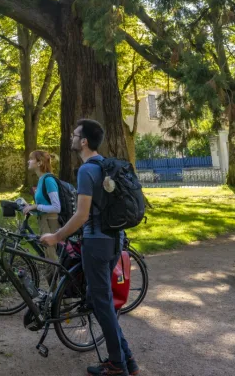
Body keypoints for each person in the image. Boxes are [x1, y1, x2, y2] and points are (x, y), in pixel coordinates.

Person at [40, 119, 139, 376]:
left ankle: (118, 365)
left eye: (75, 135)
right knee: (100, 301)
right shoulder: (105, 166)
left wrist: (57, 236)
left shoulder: (86, 171)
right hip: (115, 240)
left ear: (84, 141)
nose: (71, 138)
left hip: (96, 244)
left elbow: (82, 215)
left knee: (101, 303)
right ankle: (127, 360)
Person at [22, 150, 61, 267]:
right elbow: (45, 203)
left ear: (39, 163)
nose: (28, 161)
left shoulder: (48, 180)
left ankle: (59, 284)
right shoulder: (41, 180)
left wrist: (36, 206)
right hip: (43, 221)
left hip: (50, 222)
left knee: (52, 258)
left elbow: (56, 207)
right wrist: (30, 207)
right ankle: (55, 284)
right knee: (48, 257)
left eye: (31, 159)